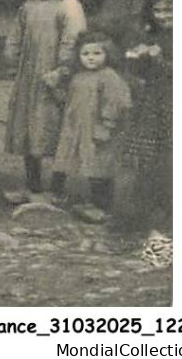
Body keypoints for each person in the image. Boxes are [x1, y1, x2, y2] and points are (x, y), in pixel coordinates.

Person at [2, 0, 86, 205]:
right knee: (29, 127)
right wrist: (11, 57)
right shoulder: (28, 7)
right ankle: (33, 185)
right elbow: (16, 35)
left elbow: (73, 40)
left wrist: (62, 70)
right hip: (30, 77)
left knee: (55, 129)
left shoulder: (69, 6)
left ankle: (57, 188)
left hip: (54, 79)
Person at [51, 29, 131, 224]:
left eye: (97, 53)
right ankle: (61, 196)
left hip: (98, 130)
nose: (91, 58)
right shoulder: (79, 77)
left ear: (107, 54)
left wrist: (106, 125)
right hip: (77, 128)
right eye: (85, 54)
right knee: (74, 162)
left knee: (100, 167)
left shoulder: (109, 77)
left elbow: (117, 103)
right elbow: (69, 102)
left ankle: (103, 206)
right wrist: (54, 88)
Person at [120, 0, 172, 242]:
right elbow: (141, 74)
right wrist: (137, 58)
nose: (163, 16)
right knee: (150, 157)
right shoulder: (151, 35)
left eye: (170, 11)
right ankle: (147, 215)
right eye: (159, 11)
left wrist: (160, 59)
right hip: (153, 104)